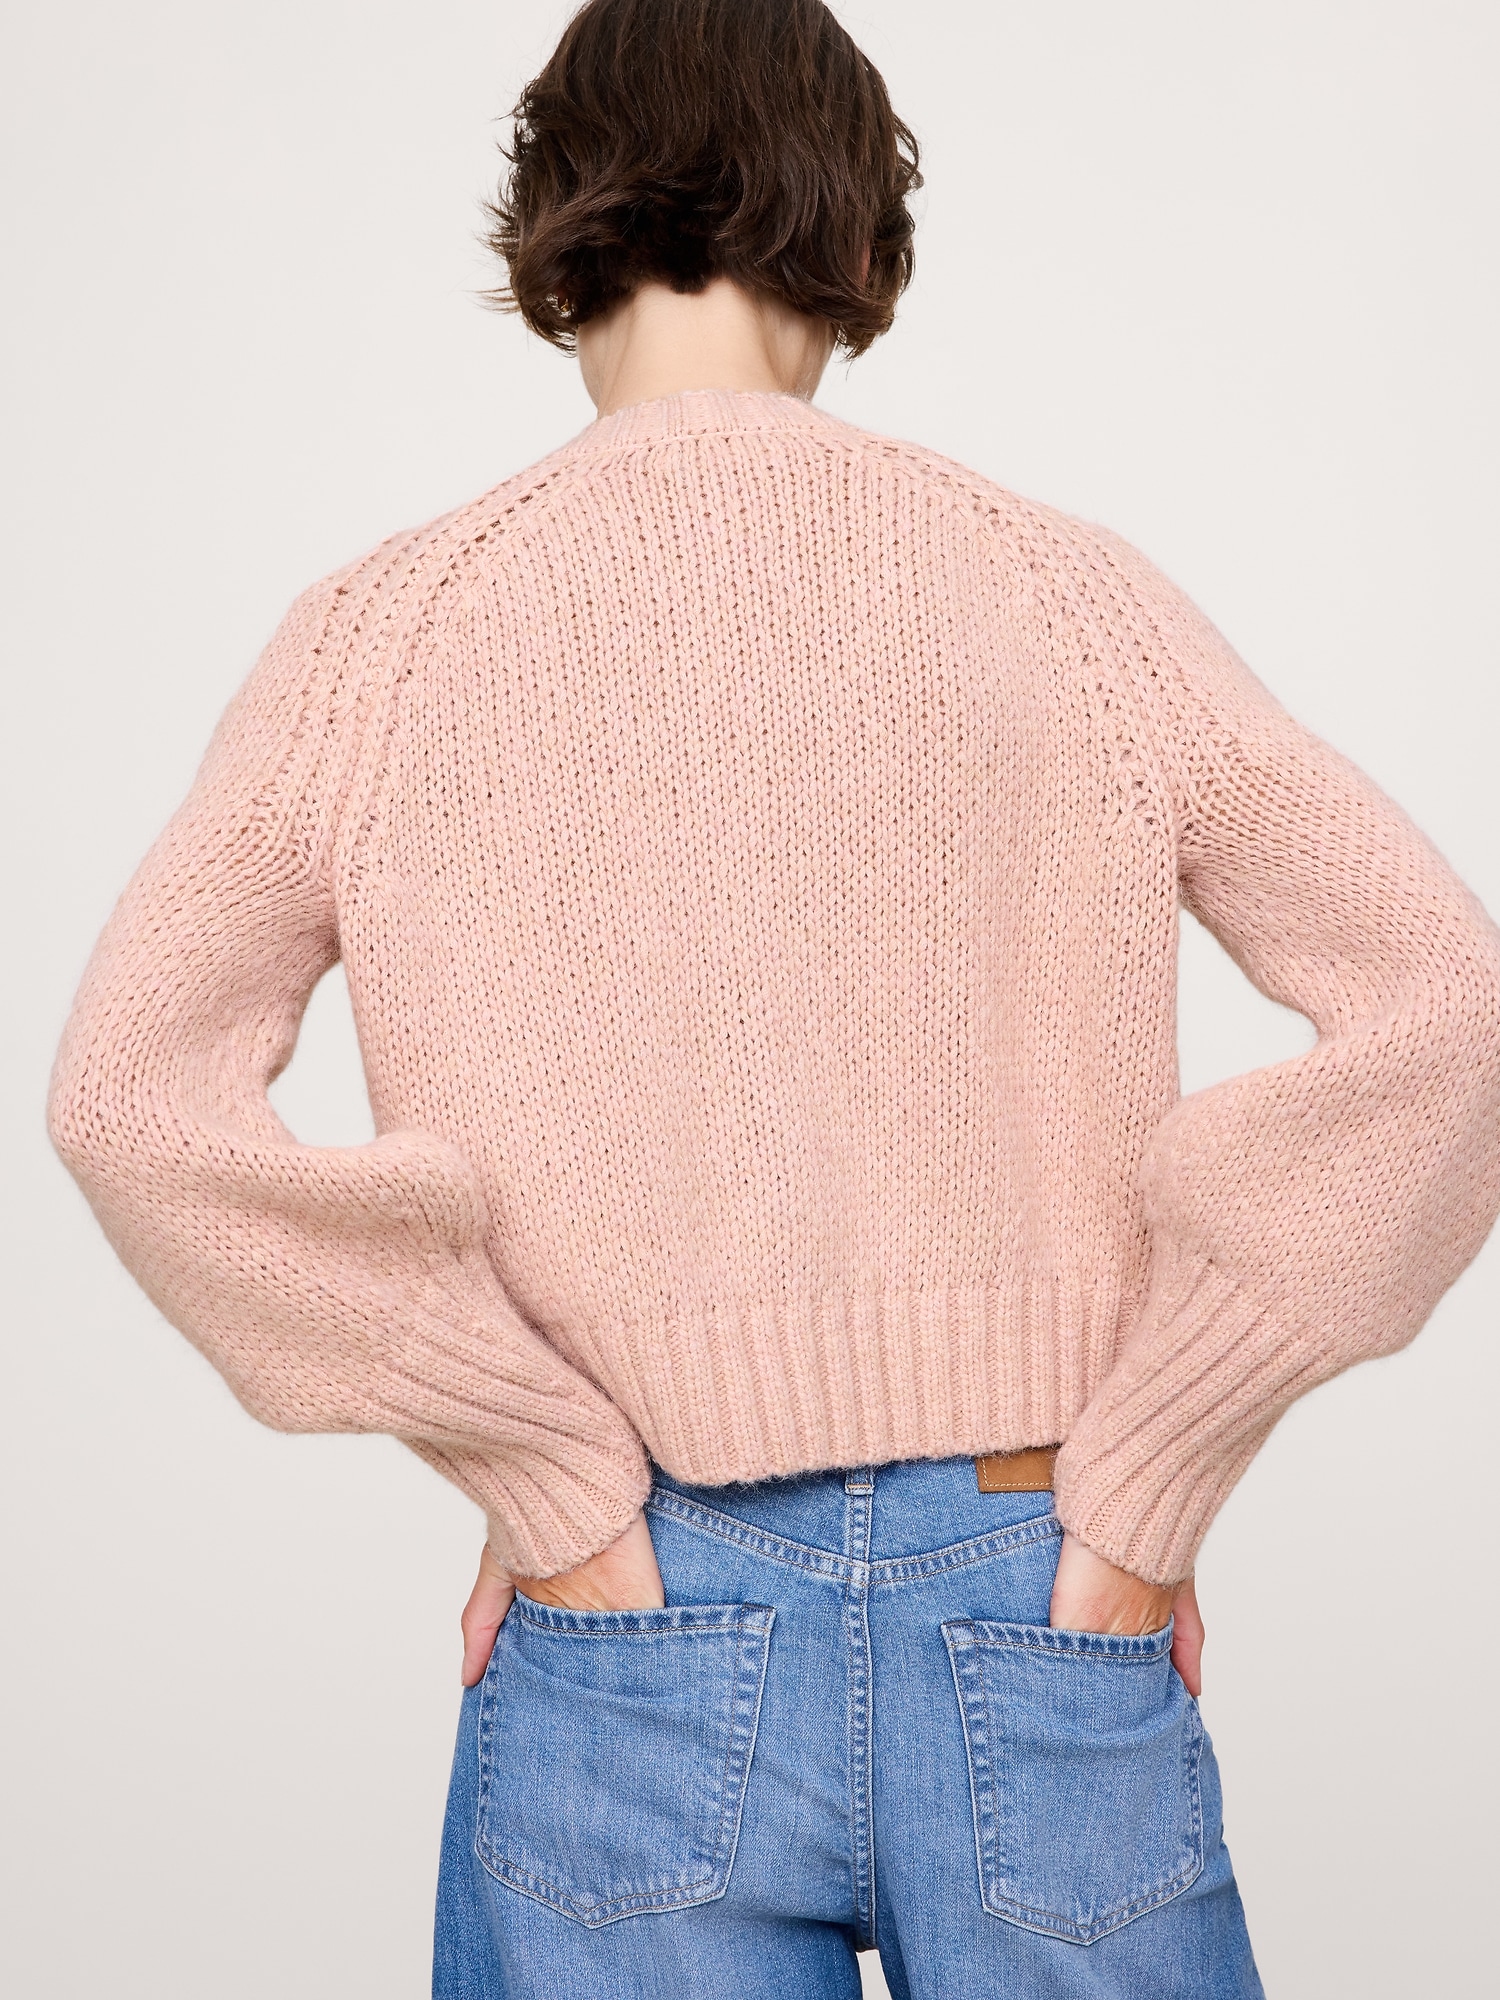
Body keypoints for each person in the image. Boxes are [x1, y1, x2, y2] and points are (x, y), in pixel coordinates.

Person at [47, 1, 1500, 1995]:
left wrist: (542, 1470)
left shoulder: (382, 639)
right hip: (1039, 1576)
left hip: (628, 1603)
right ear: (857, 233)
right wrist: (1150, 1479)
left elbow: (128, 1100)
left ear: (559, 219)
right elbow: (1448, 1004)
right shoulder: (1068, 595)